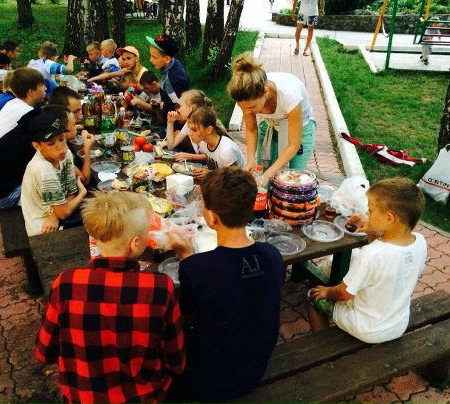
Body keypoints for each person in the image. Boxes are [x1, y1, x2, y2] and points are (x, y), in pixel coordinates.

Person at [35, 191, 185, 404]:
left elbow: (43, 353)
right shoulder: (160, 288)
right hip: (144, 398)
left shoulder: (66, 283)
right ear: (135, 244)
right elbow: (176, 363)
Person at [168, 167, 286, 402]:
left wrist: (187, 256)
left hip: (204, 382)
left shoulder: (196, 268)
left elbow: (187, 319)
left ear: (213, 218)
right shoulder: (272, 255)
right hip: (254, 372)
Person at [307, 178, 427, 344]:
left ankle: (322, 346)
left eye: (370, 210)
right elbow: (389, 261)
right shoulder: (420, 242)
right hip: (396, 325)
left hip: (366, 328)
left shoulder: (371, 254)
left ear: (389, 218)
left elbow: (343, 294)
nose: (367, 214)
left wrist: (326, 291)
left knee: (313, 296)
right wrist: (372, 233)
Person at [227, 52, 316, 181]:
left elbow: (293, 145)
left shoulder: (290, 94)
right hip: (271, 125)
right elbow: (251, 129)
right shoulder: (246, 97)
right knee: (263, 173)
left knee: (290, 180)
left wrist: (268, 174)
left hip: (300, 129)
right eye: (243, 107)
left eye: (251, 107)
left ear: (265, 92)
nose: (247, 112)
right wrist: (250, 159)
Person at [21, 110, 93, 236]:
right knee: (100, 220)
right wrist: (82, 193)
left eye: (61, 139)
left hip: (59, 216)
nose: (60, 147)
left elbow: (71, 191)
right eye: (51, 143)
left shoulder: (65, 154)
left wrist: (56, 214)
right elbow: (64, 213)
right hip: (44, 228)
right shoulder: (43, 168)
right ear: (37, 146)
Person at [183, 107, 246, 180]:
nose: (189, 133)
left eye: (194, 130)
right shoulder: (203, 143)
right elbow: (211, 163)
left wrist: (210, 173)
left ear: (209, 130)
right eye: (189, 129)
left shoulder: (226, 151)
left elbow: (233, 177)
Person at [0, 68, 47, 147]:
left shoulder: (13, 103)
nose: (45, 88)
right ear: (31, 92)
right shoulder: (26, 112)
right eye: (42, 85)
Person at [146, 34, 190, 126]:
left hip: (173, 122)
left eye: (154, 57)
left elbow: (178, 106)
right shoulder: (174, 63)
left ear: (167, 59)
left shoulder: (170, 80)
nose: (150, 60)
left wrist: (174, 128)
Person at [166, 89, 212, 161]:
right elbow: (171, 146)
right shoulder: (188, 123)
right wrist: (170, 122)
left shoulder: (204, 125)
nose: (178, 110)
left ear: (190, 109)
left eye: (181, 106)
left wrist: (190, 156)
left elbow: (211, 155)